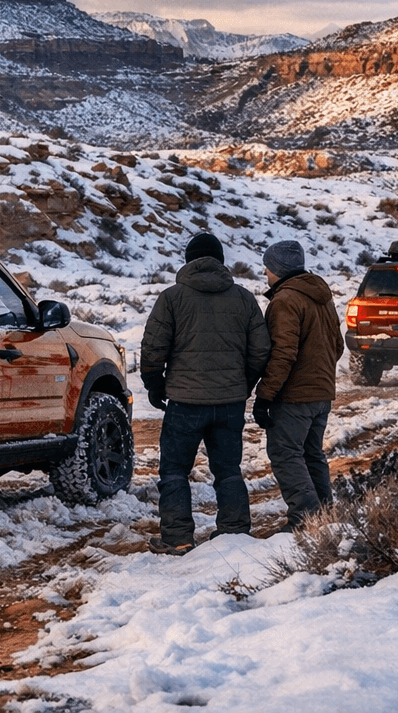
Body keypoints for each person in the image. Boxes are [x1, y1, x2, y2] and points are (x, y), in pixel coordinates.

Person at [140, 232, 271, 554]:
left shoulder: (172, 298)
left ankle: (178, 538)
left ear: (189, 260)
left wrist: (154, 383)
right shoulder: (244, 298)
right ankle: (235, 530)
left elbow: (154, 347)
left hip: (185, 402)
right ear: (220, 261)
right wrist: (243, 383)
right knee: (228, 470)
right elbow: (261, 350)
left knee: (174, 471)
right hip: (229, 402)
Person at [253, 239, 344, 528]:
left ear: (279, 269)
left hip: (294, 396)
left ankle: (306, 518)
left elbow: (283, 353)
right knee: (311, 454)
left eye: (268, 268)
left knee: (285, 454)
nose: (265, 273)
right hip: (322, 393)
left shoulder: (285, 300)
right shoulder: (322, 296)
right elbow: (338, 345)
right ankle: (325, 517)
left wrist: (265, 395)